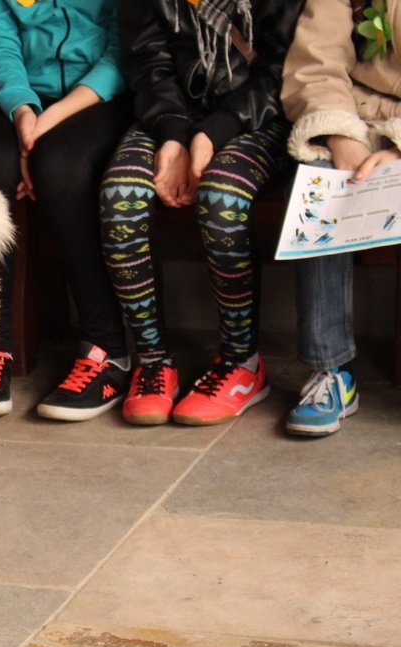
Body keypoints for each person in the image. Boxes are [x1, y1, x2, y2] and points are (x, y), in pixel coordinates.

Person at [101, 0, 303, 426]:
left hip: (257, 116)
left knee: (222, 196)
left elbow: (282, 68)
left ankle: (242, 364)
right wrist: (173, 135)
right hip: (171, 115)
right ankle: (153, 362)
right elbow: (147, 63)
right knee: (120, 195)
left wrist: (214, 133)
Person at [0, 0, 132, 421]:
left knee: (60, 169)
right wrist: (22, 111)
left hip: (98, 96)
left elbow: (124, 43)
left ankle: (107, 350)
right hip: (16, 98)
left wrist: (51, 119)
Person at [279, 0, 399, 436]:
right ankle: (330, 370)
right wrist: (341, 135)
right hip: (357, 118)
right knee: (324, 183)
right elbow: (317, 62)